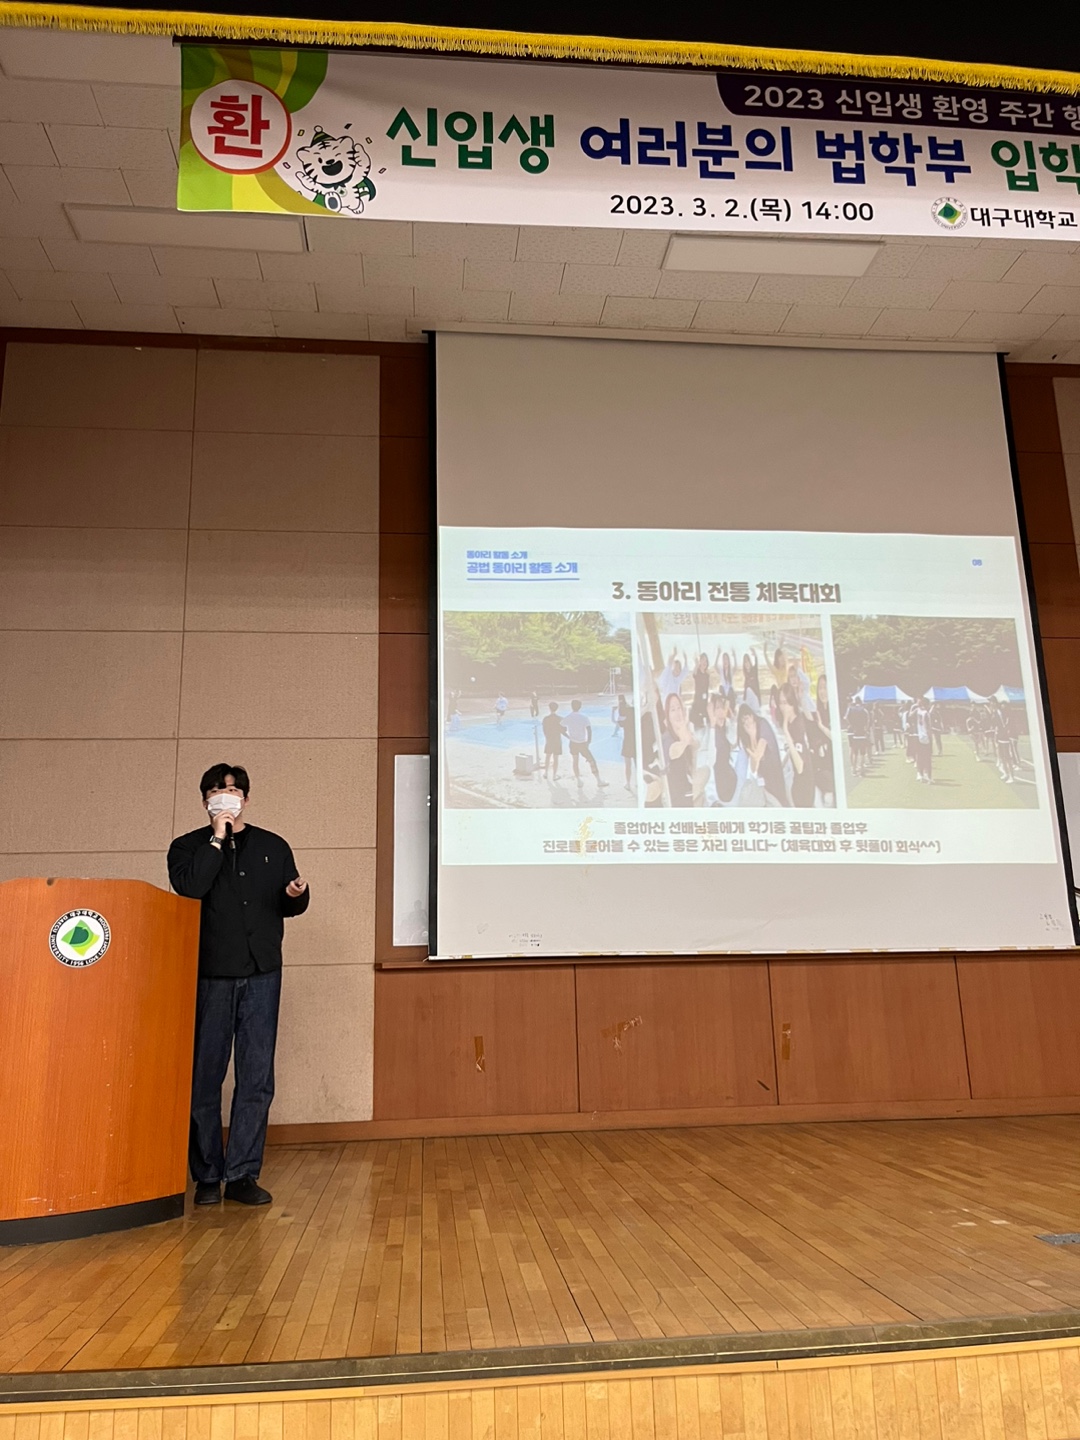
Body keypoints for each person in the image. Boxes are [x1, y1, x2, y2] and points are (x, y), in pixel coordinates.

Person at [168, 764, 310, 1209]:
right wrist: (217, 838)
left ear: (246, 798)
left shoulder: (273, 846)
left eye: (233, 790)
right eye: (216, 790)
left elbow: (288, 903)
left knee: (256, 1078)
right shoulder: (187, 847)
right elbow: (190, 888)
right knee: (204, 1078)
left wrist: (296, 894)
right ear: (204, 800)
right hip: (211, 974)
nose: (225, 796)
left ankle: (243, 1173)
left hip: (262, 973)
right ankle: (208, 1175)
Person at [737, 704, 788, 806]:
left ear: (752, 716)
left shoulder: (762, 725)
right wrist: (751, 736)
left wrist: (753, 735)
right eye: (743, 722)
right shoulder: (746, 736)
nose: (746, 723)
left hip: (773, 774)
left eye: (747, 718)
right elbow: (754, 768)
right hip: (763, 780)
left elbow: (758, 756)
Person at [777, 682, 815, 808]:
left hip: (804, 786)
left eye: (785, 702)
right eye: (780, 703)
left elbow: (800, 767)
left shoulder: (796, 726)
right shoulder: (794, 720)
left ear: (792, 703)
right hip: (799, 781)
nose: (782, 707)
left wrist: (786, 731)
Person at [662, 691, 697, 806]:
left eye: (679, 708)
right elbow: (674, 752)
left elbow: (695, 746)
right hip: (677, 797)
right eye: (673, 710)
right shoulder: (667, 738)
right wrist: (685, 737)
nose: (677, 713)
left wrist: (684, 731)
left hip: (689, 790)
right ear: (667, 715)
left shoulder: (684, 733)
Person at [563, 699, 607, 788]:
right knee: (591, 760)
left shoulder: (568, 717)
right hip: (582, 743)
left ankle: (579, 781)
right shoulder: (584, 717)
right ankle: (598, 780)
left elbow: (561, 726)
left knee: (575, 761)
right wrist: (588, 741)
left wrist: (568, 736)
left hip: (573, 743)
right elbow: (589, 730)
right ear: (580, 707)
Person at [844, 695, 872, 777]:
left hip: (855, 733)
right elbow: (868, 720)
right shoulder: (864, 710)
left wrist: (851, 725)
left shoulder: (851, 709)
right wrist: (866, 729)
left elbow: (846, 718)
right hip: (862, 733)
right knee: (862, 753)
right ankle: (862, 770)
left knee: (855, 752)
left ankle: (854, 770)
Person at [618, 694, 637, 793]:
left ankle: (628, 783)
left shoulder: (624, 713)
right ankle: (638, 781)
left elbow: (618, 723)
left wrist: (613, 712)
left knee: (628, 765)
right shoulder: (634, 712)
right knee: (637, 763)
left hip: (627, 741)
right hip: (636, 740)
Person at [542, 700, 564, 780]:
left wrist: (547, 737)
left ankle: (546, 773)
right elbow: (563, 730)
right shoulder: (560, 719)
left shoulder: (546, 719)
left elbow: (544, 730)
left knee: (547, 756)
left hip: (549, 739)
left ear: (549, 708)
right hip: (557, 739)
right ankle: (554, 775)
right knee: (556, 758)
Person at [914, 697, 933, 782]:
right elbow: (928, 727)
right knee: (927, 757)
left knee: (920, 756)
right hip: (925, 737)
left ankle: (920, 774)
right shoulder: (926, 713)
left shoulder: (918, 711)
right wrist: (930, 737)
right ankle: (928, 776)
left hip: (919, 736)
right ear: (927, 704)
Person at [689, 653, 710, 731]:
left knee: (706, 719)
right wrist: (696, 664)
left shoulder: (707, 674)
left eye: (706, 661)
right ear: (700, 661)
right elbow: (693, 673)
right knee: (697, 720)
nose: (704, 662)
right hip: (698, 699)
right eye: (703, 660)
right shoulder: (697, 672)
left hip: (705, 699)